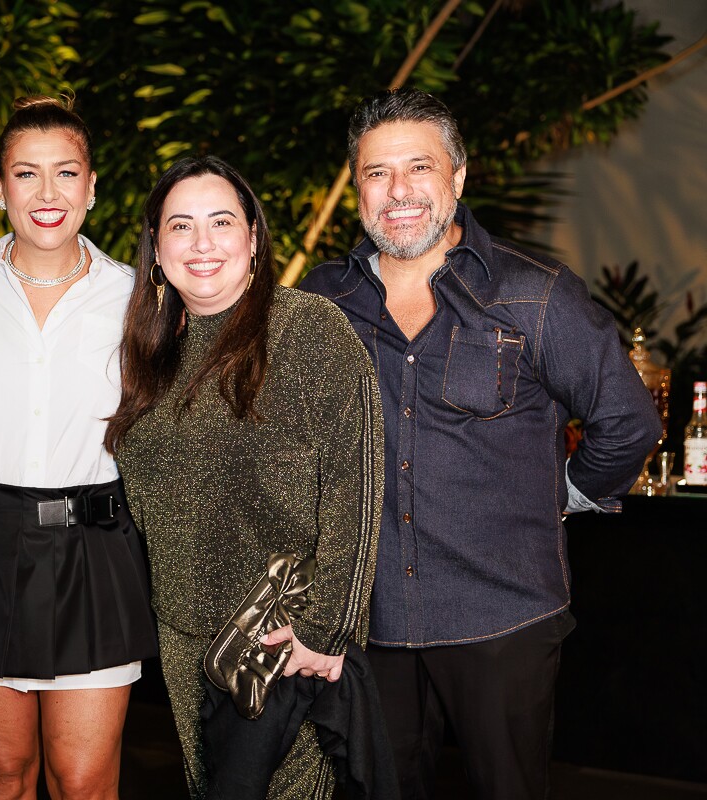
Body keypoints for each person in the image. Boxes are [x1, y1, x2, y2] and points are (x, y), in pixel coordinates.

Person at [300, 88, 663, 799]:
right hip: (370, 622)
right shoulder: (324, 303)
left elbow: (627, 420)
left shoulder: (534, 295)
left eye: (419, 168)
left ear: (457, 178)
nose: (398, 191)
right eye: (377, 173)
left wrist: (563, 491)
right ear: (357, 187)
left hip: (501, 618)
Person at [106, 155, 385, 799]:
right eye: (180, 226)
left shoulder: (309, 330)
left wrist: (326, 632)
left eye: (221, 222)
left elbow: (357, 488)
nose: (201, 244)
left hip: (281, 638)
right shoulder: (149, 349)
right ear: (156, 248)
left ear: (253, 237)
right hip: (184, 639)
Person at [0, 96, 159, 800]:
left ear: (92, 186)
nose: (47, 194)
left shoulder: (139, 299)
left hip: (97, 549)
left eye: (65, 173)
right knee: (2, 778)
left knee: (83, 782)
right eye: (26, 174)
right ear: (0, 188)